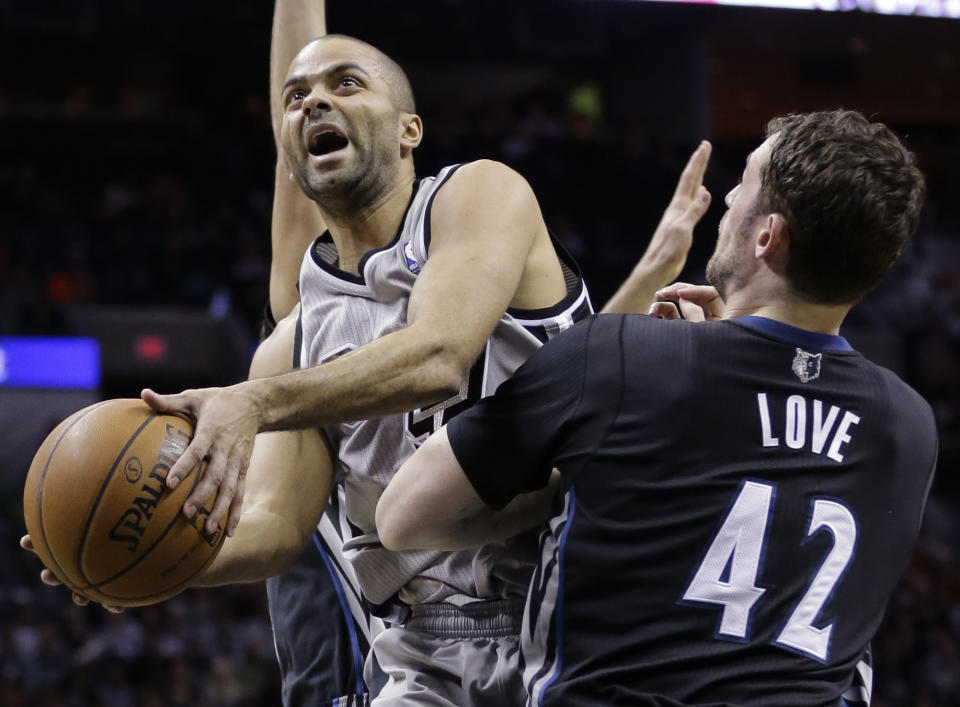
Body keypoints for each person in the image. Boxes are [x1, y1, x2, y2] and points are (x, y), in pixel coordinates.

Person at [125, 30, 713, 706]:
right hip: (422, 656)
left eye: (345, 83)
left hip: (569, 617)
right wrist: (147, 563)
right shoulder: (288, 350)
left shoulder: (479, 195)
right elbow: (277, 527)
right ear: (289, 162)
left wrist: (253, 402)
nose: (315, 101)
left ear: (410, 130)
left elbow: (438, 354)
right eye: (296, 97)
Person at [375, 109, 935, 706]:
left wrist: (577, 473)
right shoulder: (909, 426)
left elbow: (403, 518)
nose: (729, 199)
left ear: (768, 235)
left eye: (744, 183)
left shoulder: (620, 356)